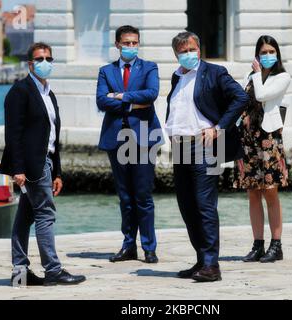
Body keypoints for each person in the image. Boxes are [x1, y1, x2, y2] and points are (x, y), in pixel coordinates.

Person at [0, 42, 86, 286]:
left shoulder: (49, 94)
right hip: (30, 165)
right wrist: (18, 169)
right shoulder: (20, 91)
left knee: (25, 216)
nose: (44, 62)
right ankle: (53, 270)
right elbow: (13, 134)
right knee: (46, 214)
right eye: (39, 58)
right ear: (30, 63)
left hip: (46, 162)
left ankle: (20, 273)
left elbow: (52, 136)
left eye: (48, 58)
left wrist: (57, 171)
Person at [165, 31, 249, 282]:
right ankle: (202, 260)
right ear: (176, 54)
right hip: (180, 147)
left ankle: (212, 265)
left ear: (199, 50)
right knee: (187, 206)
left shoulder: (214, 72)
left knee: (204, 205)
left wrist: (219, 128)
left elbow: (240, 98)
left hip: (205, 146)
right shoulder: (176, 76)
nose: (188, 54)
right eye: (183, 51)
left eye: (191, 49)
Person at [96, 25, 162, 264]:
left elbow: (152, 94)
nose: (131, 47)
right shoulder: (106, 71)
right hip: (116, 138)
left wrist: (121, 97)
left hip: (144, 137)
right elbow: (102, 101)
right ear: (117, 45)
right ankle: (128, 246)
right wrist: (134, 103)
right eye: (126, 43)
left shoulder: (149, 67)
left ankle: (149, 247)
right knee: (125, 196)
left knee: (143, 196)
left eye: (135, 43)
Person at [233, 35, 291, 263]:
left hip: (268, 140)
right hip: (247, 139)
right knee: (252, 193)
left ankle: (276, 245)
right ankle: (258, 244)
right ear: (257, 54)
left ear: (277, 54)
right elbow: (241, 99)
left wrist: (257, 75)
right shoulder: (249, 76)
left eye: (271, 52)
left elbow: (262, 95)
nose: (267, 56)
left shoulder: (282, 77)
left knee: (270, 191)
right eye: (263, 52)